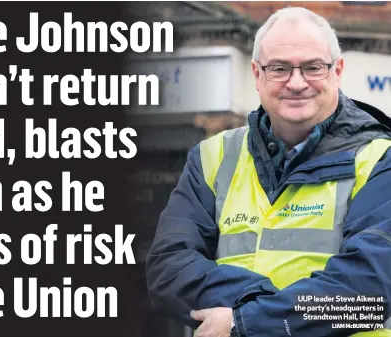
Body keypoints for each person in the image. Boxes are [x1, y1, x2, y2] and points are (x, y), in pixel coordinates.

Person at [145, 6, 391, 337]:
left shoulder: (380, 158)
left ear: (338, 70)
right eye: (279, 68)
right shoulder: (212, 157)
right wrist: (261, 303)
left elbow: (369, 294)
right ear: (257, 74)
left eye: (313, 67)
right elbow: (167, 269)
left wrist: (246, 322)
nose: (297, 82)